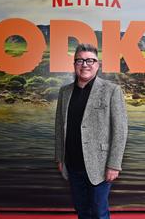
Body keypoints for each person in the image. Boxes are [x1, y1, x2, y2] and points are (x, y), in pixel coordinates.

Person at [55, 43, 128, 219]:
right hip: (72, 165)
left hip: (100, 165)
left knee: (98, 212)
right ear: (74, 65)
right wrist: (60, 157)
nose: (85, 64)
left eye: (90, 60)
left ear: (98, 64)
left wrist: (114, 164)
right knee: (82, 212)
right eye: (80, 60)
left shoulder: (111, 90)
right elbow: (59, 127)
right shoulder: (64, 92)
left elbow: (120, 130)